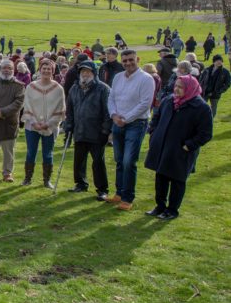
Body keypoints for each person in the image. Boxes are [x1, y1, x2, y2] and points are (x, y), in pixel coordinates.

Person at [144, 75, 213, 220]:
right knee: (161, 177)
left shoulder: (201, 107)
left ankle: (172, 210)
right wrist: (154, 132)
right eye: (176, 85)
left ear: (190, 88)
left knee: (177, 180)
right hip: (164, 146)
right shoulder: (169, 100)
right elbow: (156, 117)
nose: (176, 89)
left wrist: (189, 145)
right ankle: (160, 206)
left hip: (182, 151)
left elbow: (205, 133)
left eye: (181, 87)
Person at [107, 49, 156, 211]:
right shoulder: (118, 77)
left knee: (129, 161)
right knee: (119, 159)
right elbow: (112, 97)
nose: (128, 63)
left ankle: (128, 197)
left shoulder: (146, 79)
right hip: (117, 122)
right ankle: (119, 193)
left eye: (131, 60)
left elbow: (145, 104)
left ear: (138, 59)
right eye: (125, 60)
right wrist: (114, 115)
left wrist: (125, 119)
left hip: (136, 124)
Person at [63, 61, 112, 199]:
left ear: (94, 73)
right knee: (79, 160)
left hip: (97, 132)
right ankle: (80, 184)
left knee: (98, 162)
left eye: (88, 71)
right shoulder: (74, 88)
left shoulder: (103, 89)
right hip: (79, 130)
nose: (85, 74)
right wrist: (68, 126)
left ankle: (102, 189)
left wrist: (105, 131)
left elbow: (108, 112)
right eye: (82, 71)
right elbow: (70, 110)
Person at [20, 59, 65, 188]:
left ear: (53, 71)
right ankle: (27, 178)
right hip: (32, 126)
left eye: (49, 69)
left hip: (50, 127)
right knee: (31, 152)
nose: (46, 71)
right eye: (43, 68)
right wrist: (34, 122)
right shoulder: (31, 87)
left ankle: (47, 180)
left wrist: (48, 123)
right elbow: (27, 105)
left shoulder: (58, 89)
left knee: (48, 153)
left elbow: (60, 109)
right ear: (40, 70)